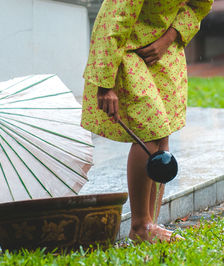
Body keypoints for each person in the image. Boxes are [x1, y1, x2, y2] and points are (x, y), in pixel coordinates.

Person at [81, 0, 213, 242]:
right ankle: (141, 225)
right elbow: (112, 23)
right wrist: (105, 84)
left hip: (163, 52)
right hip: (127, 51)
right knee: (150, 131)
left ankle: (150, 223)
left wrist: (168, 39)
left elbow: (199, 4)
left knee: (162, 134)